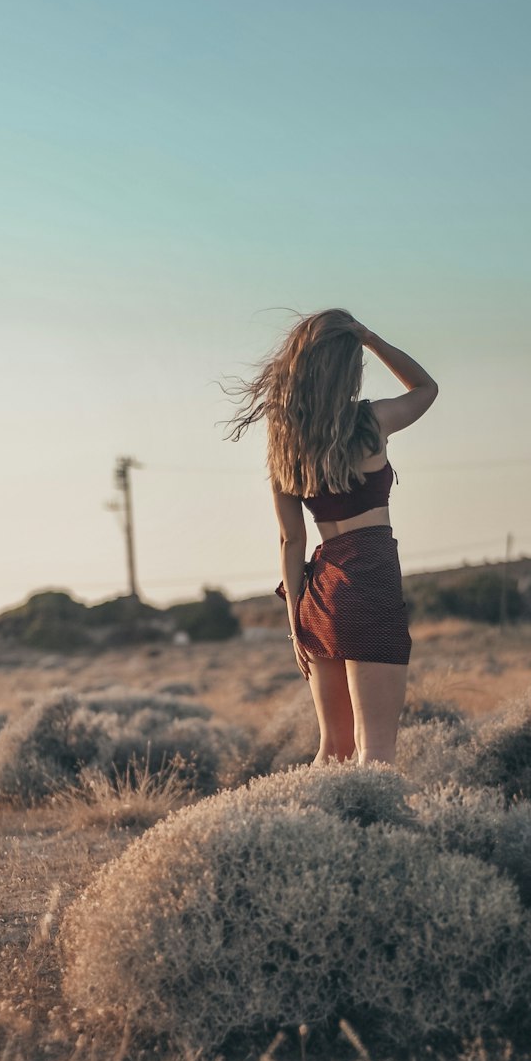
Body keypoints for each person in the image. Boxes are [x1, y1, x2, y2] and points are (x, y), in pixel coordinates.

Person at [223, 308, 438, 765]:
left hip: (319, 594)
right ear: (349, 367)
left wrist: (296, 626)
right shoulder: (369, 423)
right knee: (375, 751)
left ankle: (315, 828)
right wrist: (374, 339)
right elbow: (426, 389)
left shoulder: (285, 443)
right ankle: (370, 833)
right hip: (371, 578)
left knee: (333, 749)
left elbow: (291, 542)